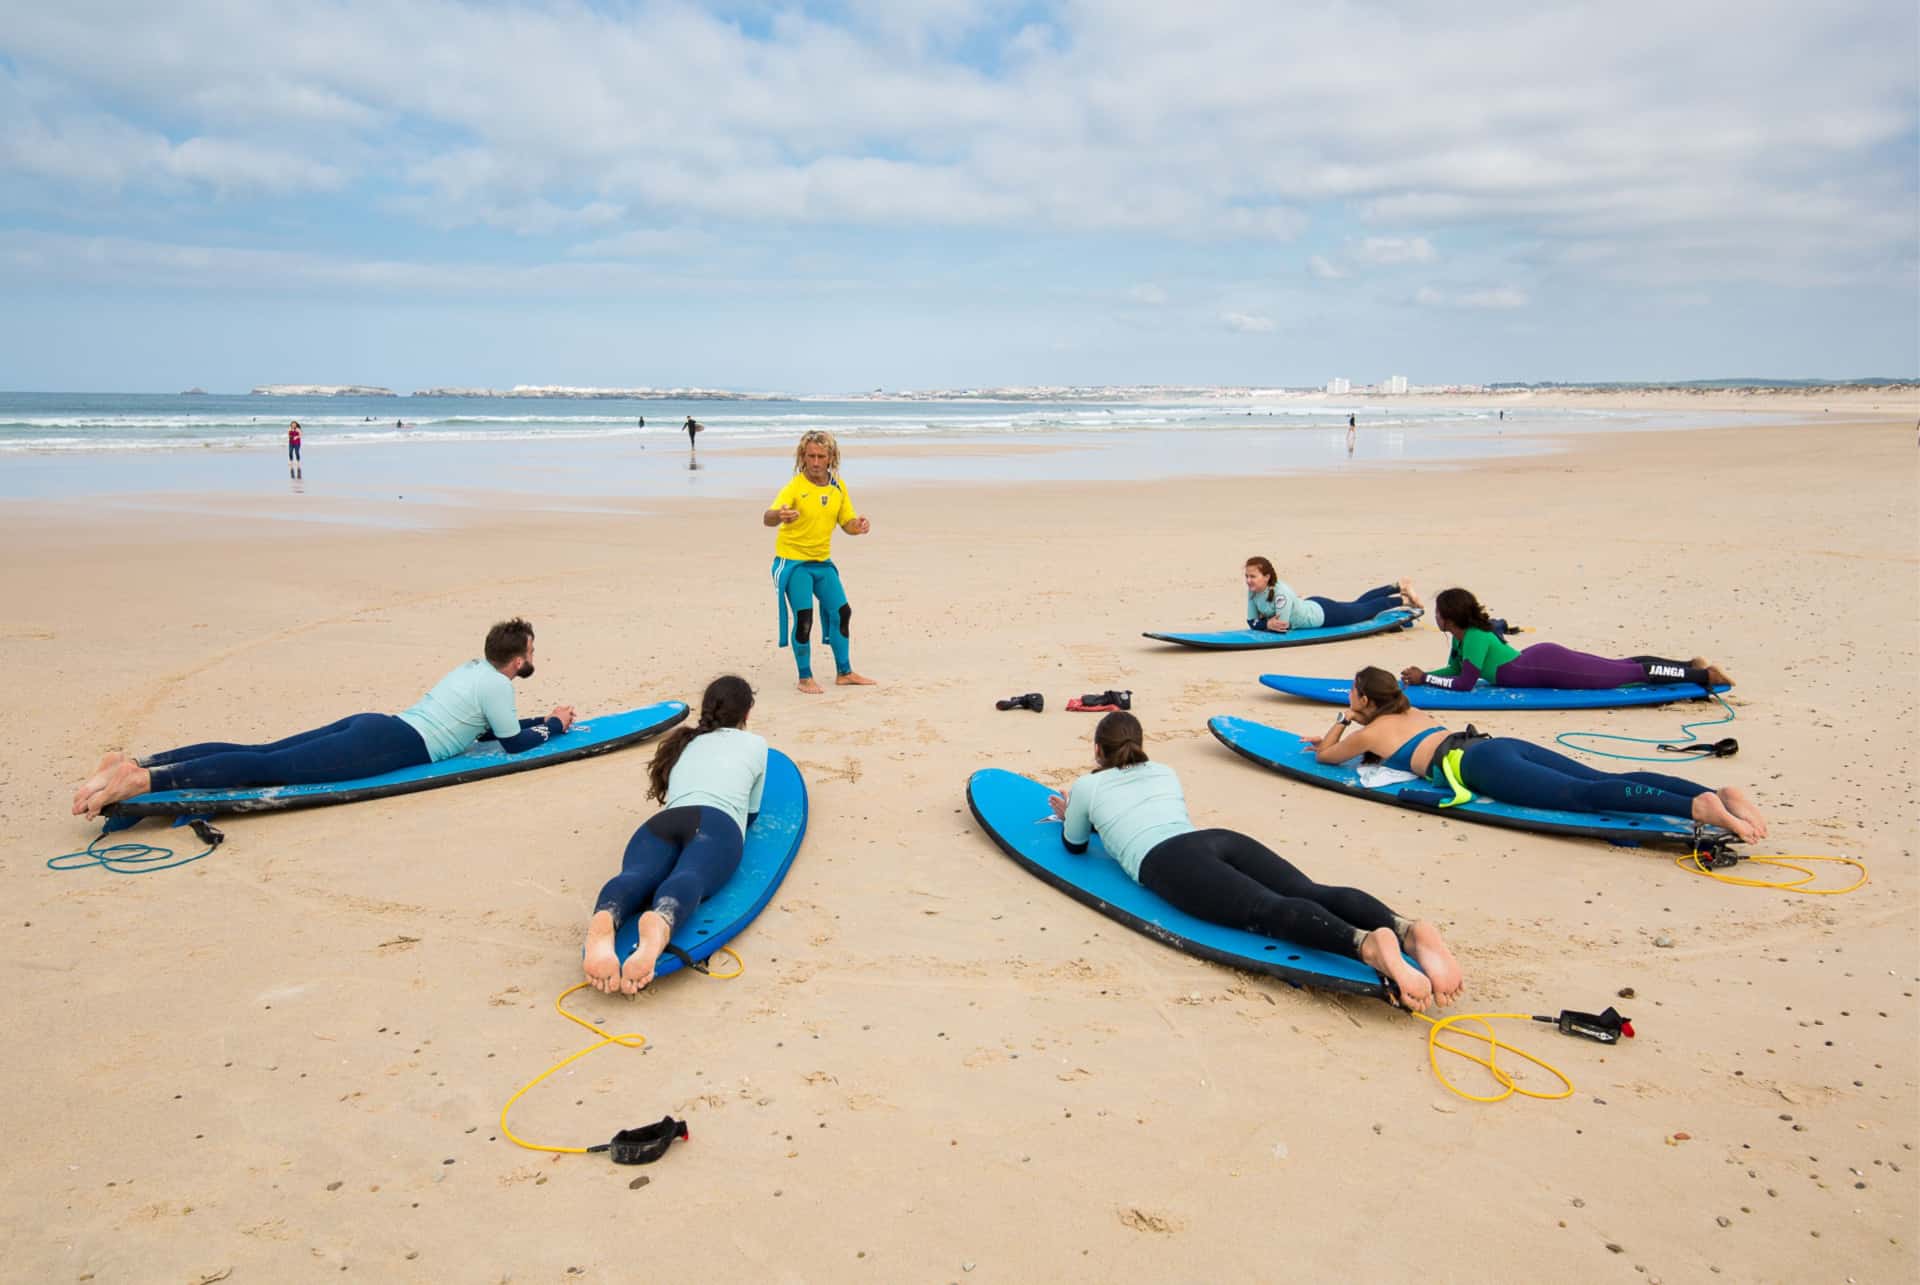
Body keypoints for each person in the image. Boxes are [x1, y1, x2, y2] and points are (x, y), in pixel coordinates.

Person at [1049, 711, 1462, 1010]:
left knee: (1270, 910)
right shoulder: (1163, 771)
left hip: (1168, 861)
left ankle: (1365, 945)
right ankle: (1405, 929)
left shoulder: (1087, 785)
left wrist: (1073, 814)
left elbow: (1076, 845)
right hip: (1214, 840)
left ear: (1098, 750)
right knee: (1308, 890)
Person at [71, 618, 576, 818]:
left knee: (262, 751)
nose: (533, 657)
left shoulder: (472, 673)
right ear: (519, 660)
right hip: (392, 748)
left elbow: (486, 727)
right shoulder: (496, 685)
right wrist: (553, 725)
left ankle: (133, 762)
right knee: (272, 770)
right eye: (532, 651)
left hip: (375, 724)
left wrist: (534, 717)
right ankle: (143, 779)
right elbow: (511, 745)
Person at [1308, 667, 1769, 842]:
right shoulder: (1412, 710)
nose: (1350, 697)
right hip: (1494, 745)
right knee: (1602, 775)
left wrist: (1344, 721)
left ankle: (1696, 807)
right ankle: (1717, 793)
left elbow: (1327, 759)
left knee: (1583, 797)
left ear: (1365, 699)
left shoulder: (1370, 732)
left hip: (1478, 766)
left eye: (1353, 692)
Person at [582, 675, 765, 995]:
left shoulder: (685, 741)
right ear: (746, 714)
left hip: (661, 824)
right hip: (715, 825)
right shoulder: (755, 744)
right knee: (691, 874)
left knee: (636, 875)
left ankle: (605, 917)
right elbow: (750, 816)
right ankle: (661, 921)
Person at [1402, 588, 1731, 693]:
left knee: (1625, 675)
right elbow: (1453, 672)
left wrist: (1425, 679)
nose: (1435, 617)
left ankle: (1704, 676)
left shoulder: (1473, 636)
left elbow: (1464, 685)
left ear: (1449, 617)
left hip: (1545, 665)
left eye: (1438, 612)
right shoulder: (1460, 640)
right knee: (1620, 666)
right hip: (1537, 661)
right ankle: (1689, 665)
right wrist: (1422, 676)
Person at [763, 430, 876, 693]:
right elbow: (767, 518)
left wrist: (857, 526)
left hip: (822, 563)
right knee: (804, 618)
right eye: (810, 456)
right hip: (794, 563)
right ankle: (805, 678)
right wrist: (780, 515)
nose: (815, 462)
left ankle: (844, 672)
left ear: (830, 458)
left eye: (821, 456)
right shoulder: (795, 487)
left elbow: (846, 523)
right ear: (802, 457)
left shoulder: (838, 486)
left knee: (842, 612)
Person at [1245, 556, 1420, 633]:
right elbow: (1251, 622)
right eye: (1247, 576)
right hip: (1313, 605)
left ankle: (1402, 598)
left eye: (1253, 576)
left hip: (1323, 615)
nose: (1248, 580)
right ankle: (1398, 586)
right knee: (1357, 605)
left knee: (1364, 610)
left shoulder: (1280, 593)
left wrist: (1264, 624)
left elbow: (1282, 626)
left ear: (1266, 577)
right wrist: (1266, 624)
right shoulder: (1253, 592)